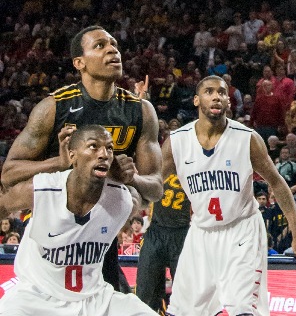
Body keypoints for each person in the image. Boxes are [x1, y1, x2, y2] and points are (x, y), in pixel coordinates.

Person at [1, 25, 163, 293]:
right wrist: (59, 163)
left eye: (114, 44)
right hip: (54, 227)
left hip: (99, 236)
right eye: (100, 46)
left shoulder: (140, 111)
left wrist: (132, 177)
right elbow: (9, 173)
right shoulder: (54, 107)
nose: (112, 49)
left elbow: (155, 189)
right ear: (79, 63)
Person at [162, 75, 296, 316]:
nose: (216, 96)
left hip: (241, 231)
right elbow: (151, 183)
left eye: (222, 92)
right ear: (195, 100)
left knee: (244, 310)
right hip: (200, 233)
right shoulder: (176, 142)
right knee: (179, 312)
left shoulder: (247, 138)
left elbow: (277, 182)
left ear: (229, 102)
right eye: (209, 91)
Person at [0, 124, 153, 315]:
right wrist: (55, 163)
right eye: (93, 146)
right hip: (37, 297)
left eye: (109, 148)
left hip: (94, 299)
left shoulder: (122, 199)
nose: (104, 154)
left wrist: (130, 178)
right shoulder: (41, 190)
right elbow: (4, 200)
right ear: (72, 156)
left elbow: (152, 194)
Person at [134, 171, 191, 314]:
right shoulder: (159, 164)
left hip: (182, 233)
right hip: (155, 231)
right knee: (145, 291)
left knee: (185, 293)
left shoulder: (193, 166)